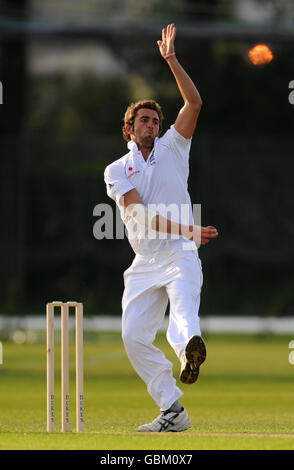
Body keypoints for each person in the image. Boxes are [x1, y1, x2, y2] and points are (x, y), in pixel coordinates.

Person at [104, 24, 218, 432]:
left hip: (180, 254)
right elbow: (138, 217)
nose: (152, 125)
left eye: (155, 120)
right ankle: (173, 409)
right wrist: (189, 229)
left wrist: (171, 59)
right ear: (130, 129)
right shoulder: (118, 169)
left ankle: (191, 348)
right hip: (145, 260)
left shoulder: (174, 146)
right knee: (134, 336)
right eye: (144, 120)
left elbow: (195, 101)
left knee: (184, 312)